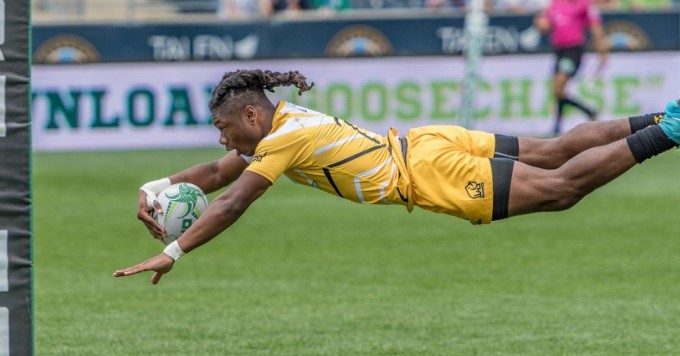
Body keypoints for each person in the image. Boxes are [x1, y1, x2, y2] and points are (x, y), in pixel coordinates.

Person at [113, 69, 676, 285]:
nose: (221, 138)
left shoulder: (280, 139)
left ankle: (668, 130)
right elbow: (215, 172)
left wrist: (175, 251)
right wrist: (157, 189)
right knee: (551, 152)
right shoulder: (280, 127)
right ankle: (663, 115)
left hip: (428, 171)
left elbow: (233, 202)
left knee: (559, 190)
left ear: (251, 116)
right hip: (424, 141)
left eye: (223, 126)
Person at [534, 0, 609, 136]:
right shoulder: (556, 4)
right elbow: (544, 22)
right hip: (559, 51)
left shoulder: (584, 4)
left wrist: (601, 51)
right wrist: (541, 24)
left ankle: (562, 124)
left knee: (558, 86)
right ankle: (580, 115)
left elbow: (595, 28)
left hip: (573, 51)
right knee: (558, 91)